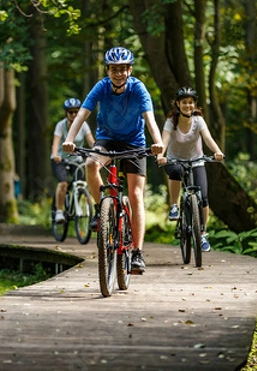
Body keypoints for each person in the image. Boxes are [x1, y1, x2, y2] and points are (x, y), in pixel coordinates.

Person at [62, 47, 164, 273]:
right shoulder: (101, 87)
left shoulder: (138, 89)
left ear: (130, 70)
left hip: (134, 143)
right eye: (113, 69)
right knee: (91, 164)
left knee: (135, 194)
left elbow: (150, 119)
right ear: (107, 70)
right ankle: (103, 210)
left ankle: (137, 252)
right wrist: (69, 139)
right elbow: (82, 114)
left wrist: (158, 143)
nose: (118, 73)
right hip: (106, 140)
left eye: (122, 69)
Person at [156, 86, 224, 252]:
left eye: (191, 102)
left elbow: (207, 137)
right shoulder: (171, 122)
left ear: (195, 105)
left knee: (204, 197)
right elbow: (164, 140)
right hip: (174, 160)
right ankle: (174, 206)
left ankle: (201, 234)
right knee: (176, 171)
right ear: (178, 104)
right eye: (184, 102)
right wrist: (160, 156)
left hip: (196, 160)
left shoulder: (198, 121)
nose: (188, 105)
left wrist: (217, 151)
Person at [51, 98, 95, 224]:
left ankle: (80, 204)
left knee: (83, 183)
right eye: (71, 112)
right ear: (66, 113)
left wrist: (96, 151)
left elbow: (91, 141)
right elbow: (56, 143)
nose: (74, 115)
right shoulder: (61, 125)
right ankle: (59, 211)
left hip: (76, 159)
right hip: (60, 159)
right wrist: (55, 154)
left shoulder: (84, 125)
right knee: (63, 183)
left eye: (76, 112)